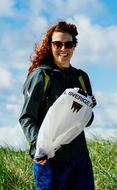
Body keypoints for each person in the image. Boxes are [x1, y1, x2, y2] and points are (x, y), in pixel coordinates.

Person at [19, 21, 96, 190]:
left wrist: (88, 108)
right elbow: (27, 117)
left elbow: (87, 122)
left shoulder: (82, 77)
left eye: (68, 44)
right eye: (57, 44)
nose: (63, 48)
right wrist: (37, 147)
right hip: (49, 162)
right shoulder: (41, 75)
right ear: (50, 45)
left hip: (80, 160)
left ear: (74, 46)